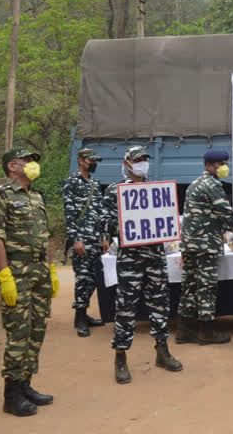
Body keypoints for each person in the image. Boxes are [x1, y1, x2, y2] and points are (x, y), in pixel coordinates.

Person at [0, 148, 58, 416]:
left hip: (39, 272)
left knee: (36, 331)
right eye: (27, 161)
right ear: (12, 166)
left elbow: (45, 235)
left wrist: (50, 269)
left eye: (33, 161)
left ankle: (26, 384)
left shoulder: (37, 196)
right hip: (16, 273)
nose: (32, 165)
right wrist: (5, 275)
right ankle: (11, 394)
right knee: (18, 333)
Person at [101, 145, 183, 383]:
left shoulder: (156, 190)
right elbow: (105, 222)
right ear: (127, 164)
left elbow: (168, 218)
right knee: (126, 309)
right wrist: (123, 227)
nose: (143, 163)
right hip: (130, 260)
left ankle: (162, 351)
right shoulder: (115, 192)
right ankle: (120, 357)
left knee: (160, 306)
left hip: (155, 257)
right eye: (138, 160)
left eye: (145, 159)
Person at [177, 150, 233, 345]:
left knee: (190, 285)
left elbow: (211, 214)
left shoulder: (195, 184)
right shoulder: (212, 184)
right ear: (210, 165)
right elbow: (226, 213)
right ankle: (206, 331)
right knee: (206, 286)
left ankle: (184, 330)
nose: (225, 167)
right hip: (205, 244)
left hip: (190, 243)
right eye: (221, 164)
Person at [62, 148, 109, 338]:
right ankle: (80, 318)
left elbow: (101, 212)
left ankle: (84, 315)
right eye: (91, 160)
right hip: (82, 239)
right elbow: (69, 213)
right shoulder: (71, 183)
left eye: (95, 160)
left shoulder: (95, 184)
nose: (94, 163)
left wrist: (105, 236)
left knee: (93, 280)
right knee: (83, 279)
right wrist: (76, 239)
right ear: (81, 160)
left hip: (96, 240)